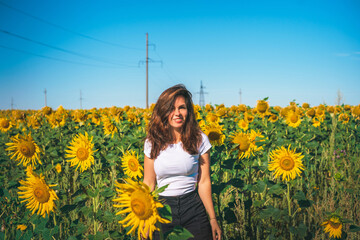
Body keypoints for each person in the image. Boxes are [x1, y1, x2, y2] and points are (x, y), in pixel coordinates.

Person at [143, 84, 222, 240]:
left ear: (188, 111)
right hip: (161, 209)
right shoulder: (152, 142)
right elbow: (149, 183)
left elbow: (204, 181)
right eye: (171, 108)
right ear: (163, 111)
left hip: (192, 207)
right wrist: (145, 219)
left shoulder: (200, 139)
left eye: (182, 108)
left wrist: (213, 219)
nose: (177, 113)